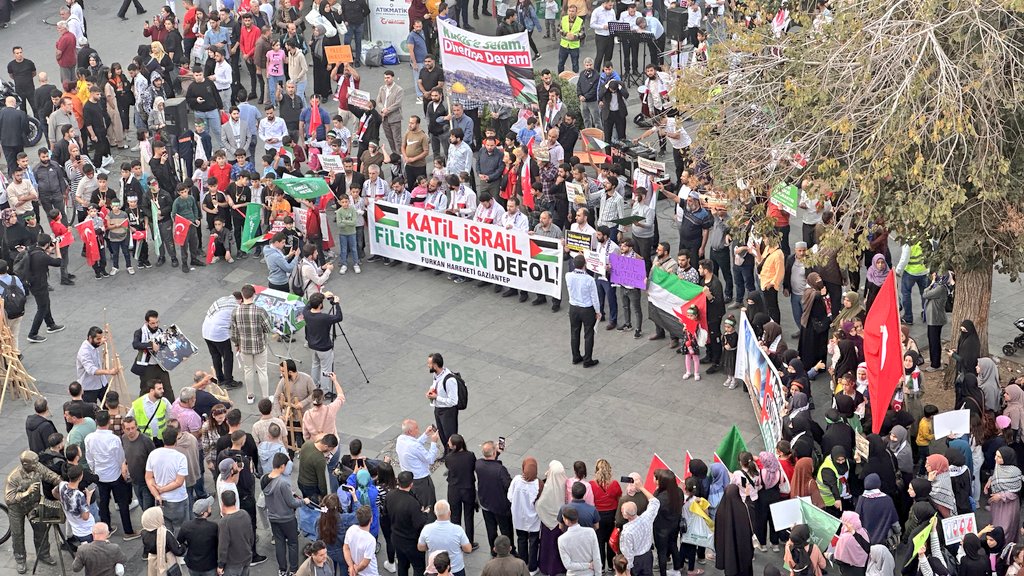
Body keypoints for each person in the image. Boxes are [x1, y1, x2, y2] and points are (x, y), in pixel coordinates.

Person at [85, 411, 139, 540]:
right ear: (109, 422)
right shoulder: (114, 439)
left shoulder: (89, 438)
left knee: (103, 503)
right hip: (115, 475)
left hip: (99, 475)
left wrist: (94, 470)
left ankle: (106, 529)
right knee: (122, 503)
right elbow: (120, 458)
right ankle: (128, 531)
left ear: (96, 422)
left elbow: (89, 458)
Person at [263, 452, 308, 575]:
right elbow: (292, 503)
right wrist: (303, 501)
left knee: (279, 543)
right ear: (282, 466)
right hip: (287, 518)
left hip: (272, 516)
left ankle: (282, 570)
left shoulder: (264, 478)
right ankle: (293, 569)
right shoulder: (282, 483)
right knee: (293, 543)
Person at [230, 283, 273, 404]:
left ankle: (250, 396)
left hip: (244, 346)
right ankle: (265, 397)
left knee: (248, 370)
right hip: (259, 345)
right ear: (254, 295)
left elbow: (234, 332)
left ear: (242, 295)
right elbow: (268, 328)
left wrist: (237, 344)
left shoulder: (235, 312)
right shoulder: (260, 311)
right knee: (262, 370)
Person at [477, 440, 516, 557]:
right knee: (506, 529)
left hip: (485, 503)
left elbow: (489, 462)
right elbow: (508, 486)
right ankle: (510, 549)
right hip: (500, 506)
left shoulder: (478, 464)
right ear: (493, 453)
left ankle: (493, 550)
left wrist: (496, 453)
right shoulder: (500, 470)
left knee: (491, 528)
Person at [25, 234, 66, 344]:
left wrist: (48, 250)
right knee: (42, 308)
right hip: (39, 285)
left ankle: (51, 324)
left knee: (46, 303)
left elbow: (42, 257)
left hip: (33, 283)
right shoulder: (42, 256)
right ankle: (32, 334)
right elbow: (58, 262)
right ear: (47, 244)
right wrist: (57, 247)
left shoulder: (33, 250)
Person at [418, 500, 474, 576]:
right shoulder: (458, 530)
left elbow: (421, 547)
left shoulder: (427, 529)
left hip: (435, 569)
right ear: (449, 513)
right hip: (456, 569)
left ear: (435, 513)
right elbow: (468, 549)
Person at [619, 480, 659, 576]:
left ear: (626, 516)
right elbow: (655, 502)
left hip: (636, 560)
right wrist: (641, 487)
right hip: (647, 555)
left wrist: (628, 570)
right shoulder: (646, 518)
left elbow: (628, 553)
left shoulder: (627, 532)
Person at [567, 254, 601, 367]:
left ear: (573, 264)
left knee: (574, 332)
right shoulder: (589, 279)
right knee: (588, 334)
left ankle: (575, 356)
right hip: (587, 309)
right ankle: (587, 360)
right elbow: (594, 297)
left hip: (573, 307)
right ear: (585, 265)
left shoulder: (568, 276)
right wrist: (598, 311)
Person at [426, 353, 460, 454]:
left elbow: (453, 401)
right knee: (442, 434)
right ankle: (447, 453)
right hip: (438, 408)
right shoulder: (436, 374)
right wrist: (431, 390)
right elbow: (434, 384)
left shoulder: (450, 380)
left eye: (429, 364)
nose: (428, 365)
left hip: (448, 411)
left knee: (450, 436)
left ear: (435, 365)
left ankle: (453, 455)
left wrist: (436, 397)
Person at [217, 490, 257, 574]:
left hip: (233, 562)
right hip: (246, 556)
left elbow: (223, 546)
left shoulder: (224, 522)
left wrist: (221, 565)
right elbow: (251, 536)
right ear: (235, 500)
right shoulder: (244, 514)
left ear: (222, 502)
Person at [141, 506, 185, 576]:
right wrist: (184, 545)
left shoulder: (144, 532)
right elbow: (178, 551)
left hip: (153, 561)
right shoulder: (165, 534)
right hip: (167, 560)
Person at [558, 506, 601, 576]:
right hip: (590, 573)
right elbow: (597, 557)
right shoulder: (590, 532)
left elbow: (568, 565)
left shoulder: (561, 539)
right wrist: (597, 573)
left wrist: (587, 565)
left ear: (567, 521)